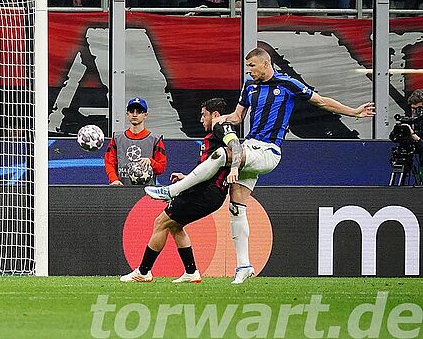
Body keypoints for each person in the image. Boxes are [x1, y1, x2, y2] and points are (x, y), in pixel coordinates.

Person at [146, 47, 375, 283]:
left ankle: (171, 191)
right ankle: (244, 266)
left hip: (268, 151)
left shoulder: (288, 84)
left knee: (223, 154)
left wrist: (354, 113)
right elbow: (237, 117)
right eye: (248, 67)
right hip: (251, 146)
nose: (250, 71)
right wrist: (222, 119)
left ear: (266, 63)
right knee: (236, 207)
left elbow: (322, 102)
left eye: (253, 66)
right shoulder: (249, 86)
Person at [121, 98, 235, 283]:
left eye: (204, 115)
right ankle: (191, 272)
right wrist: (187, 177)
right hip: (209, 192)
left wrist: (235, 168)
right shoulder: (214, 136)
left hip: (206, 192)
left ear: (215, 115)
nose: (201, 120)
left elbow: (234, 146)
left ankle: (143, 271)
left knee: (161, 222)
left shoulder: (220, 127)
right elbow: (210, 168)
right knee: (175, 226)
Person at [104, 97, 166, 187]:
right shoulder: (117, 138)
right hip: (121, 189)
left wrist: (150, 162)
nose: (135, 114)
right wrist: (114, 179)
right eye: (131, 111)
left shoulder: (155, 140)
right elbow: (109, 162)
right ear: (127, 114)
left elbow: (161, 168)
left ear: (145, 115)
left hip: (147, 191)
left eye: (139, 111)